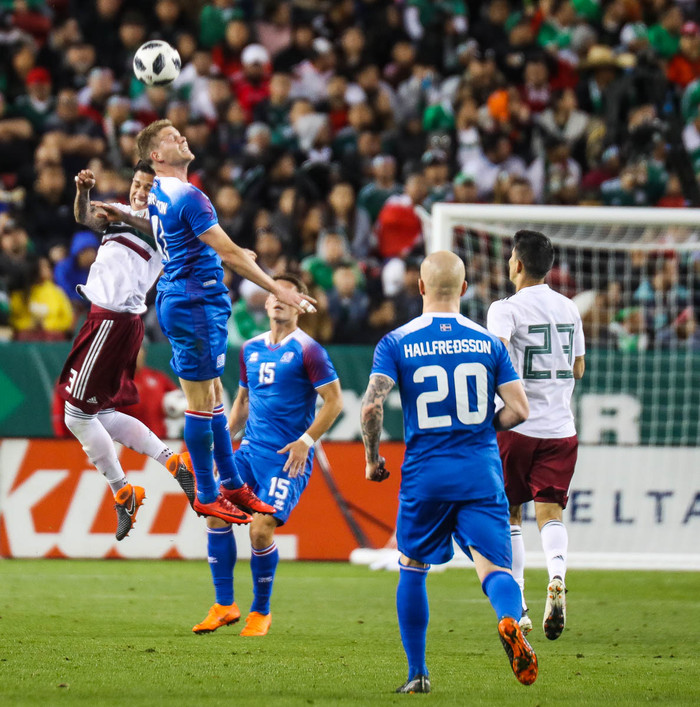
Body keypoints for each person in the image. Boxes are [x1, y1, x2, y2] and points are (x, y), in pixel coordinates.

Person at [96, 119, 316, 528]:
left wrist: (129, 219)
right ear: (157, 155)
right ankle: (207, 494)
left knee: (213, 395)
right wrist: (278, 289)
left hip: (189, 298)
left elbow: (170, 232)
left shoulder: (162, 193)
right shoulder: (188, 195)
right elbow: (229, 254)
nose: (182, 137)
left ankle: (231, 483)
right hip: (194, 301)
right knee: (200, 403)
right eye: (171, 138)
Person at [360, 250, 537, 694]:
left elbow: (371, 406)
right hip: (480, 471)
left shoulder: (397, 341)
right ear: (464, 289)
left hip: (427, 474)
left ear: (420, 287)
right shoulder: (488, 342)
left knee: (411, 566)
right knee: (494, 568)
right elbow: (519, 410)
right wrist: (483, 426)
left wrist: (372, 458)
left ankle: (417, 674)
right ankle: (509, 620)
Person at [193, 273, 342, 635]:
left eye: (288, 294)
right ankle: (224, 605)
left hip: (286, 458)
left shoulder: (309, 350)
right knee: (215, 512)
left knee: (260, 531)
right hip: (249, 452)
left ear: (300, 306)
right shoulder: (250, 348)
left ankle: (261, 612)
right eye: (274, 293)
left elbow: (334, 401)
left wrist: (306, 441)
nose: (279, 299)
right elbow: (243, 402)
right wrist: (223, 446)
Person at [57, 163, 196, 541]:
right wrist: (83, 192)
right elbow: (85, 217)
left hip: (113, 320)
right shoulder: (120, 212)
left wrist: (124, 215)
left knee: (75, 415)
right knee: (100, 413)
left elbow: (158, 232)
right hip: (108, 320)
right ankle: (173, 461)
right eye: (137, 183)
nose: (139, 191)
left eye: (148, 187)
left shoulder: (164, 225)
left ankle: (122, 491)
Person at [486, 230, 585, 641]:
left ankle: (521, 605)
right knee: (550, 512)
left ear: (518, 264)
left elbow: (494, 356)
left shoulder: (504, 309)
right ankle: (557, 576)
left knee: (510, 512)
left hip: (516, 426)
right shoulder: (569, 307)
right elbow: (578, 368)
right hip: (561, 429)